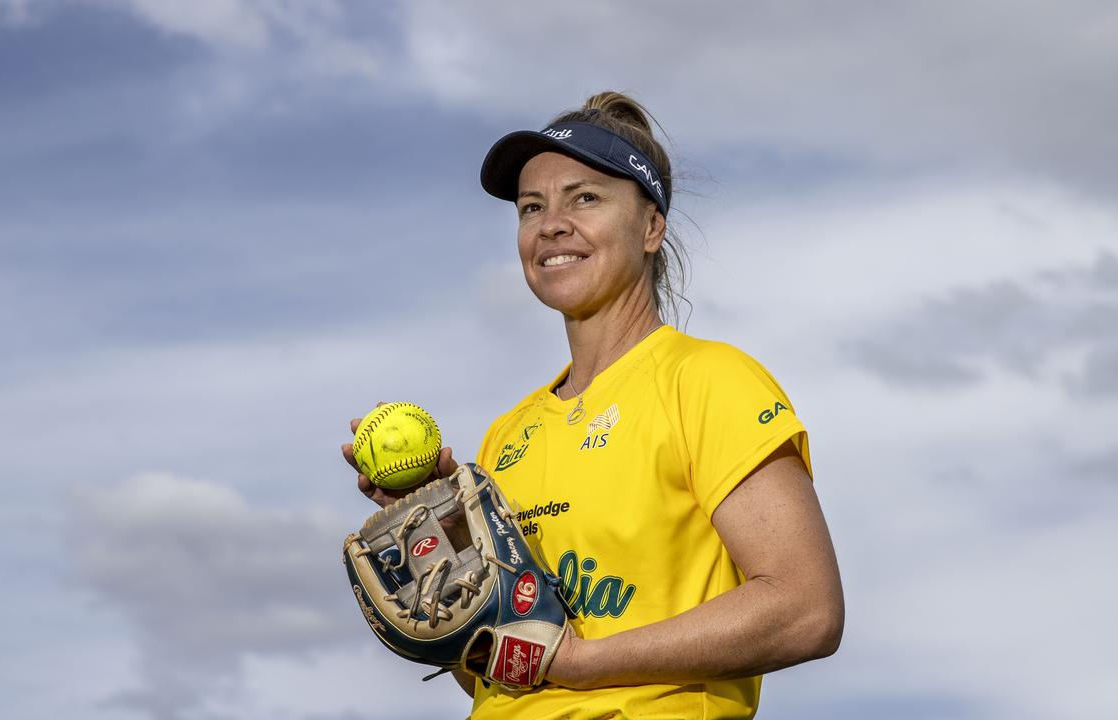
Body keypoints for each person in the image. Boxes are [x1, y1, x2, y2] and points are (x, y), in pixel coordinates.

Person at [344, 91, 844, 719]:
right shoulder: (508, 435)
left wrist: (581, 663)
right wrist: (446, 535)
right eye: (532, 207)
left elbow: (807, 610)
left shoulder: (708, 381)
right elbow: (492, 677)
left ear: (652, 227)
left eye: (585, 198)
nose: (551, 224)